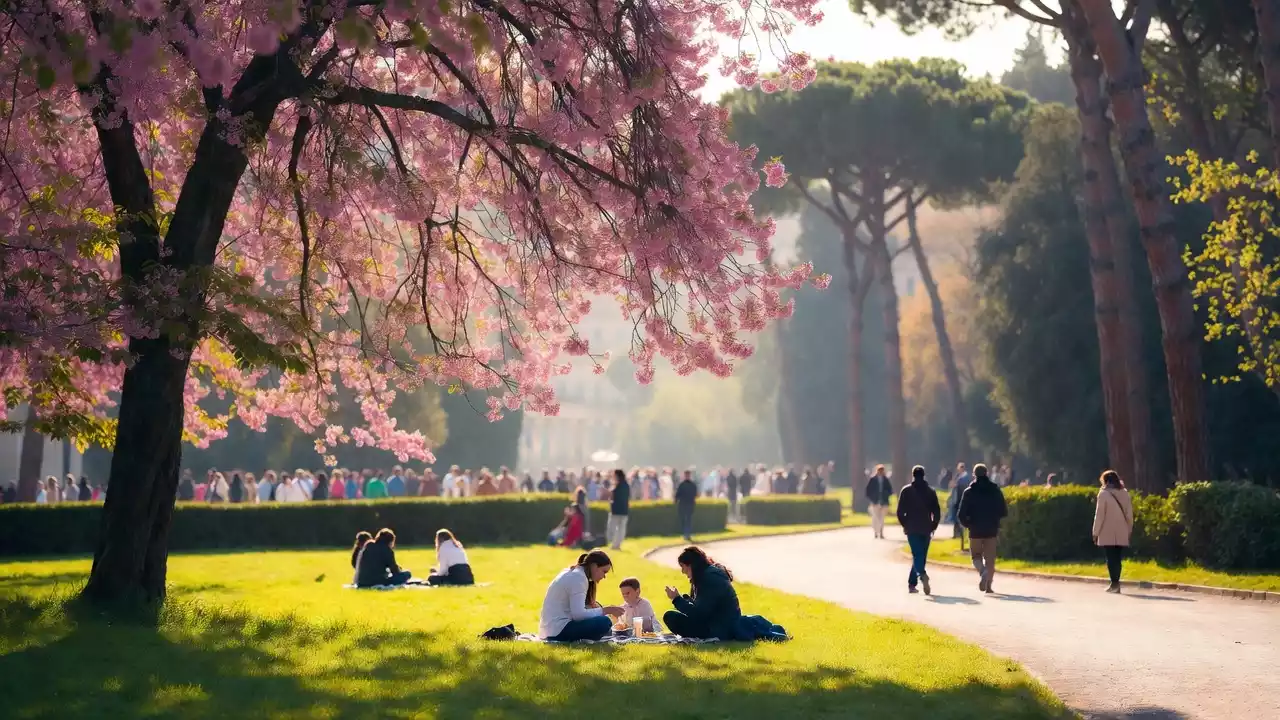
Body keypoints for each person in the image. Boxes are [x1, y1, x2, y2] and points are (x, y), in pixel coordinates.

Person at [538, 550, 624, 641]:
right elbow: (578, 615)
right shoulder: (578, 578)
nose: (604, 576)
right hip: (558, 631)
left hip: (552, 629)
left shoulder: (575, 573)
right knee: (604, 622)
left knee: (600, 615)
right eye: (604, 571)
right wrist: (606, 610)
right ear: (594, 566)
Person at [662, 546, 742, 640]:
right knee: (672, 616)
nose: (682, 571)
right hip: (719, 624)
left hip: (719, 629)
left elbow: (699, 614)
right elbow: (703, 609)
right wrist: (686, 600)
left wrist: (677, 599)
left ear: (691, 565)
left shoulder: (709, 578)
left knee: (670, 617)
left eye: (683, 566)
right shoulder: (706, 575)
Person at [958, 463, 1007, 593]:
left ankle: (982, 571)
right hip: (991, 529)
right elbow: (1003, 510)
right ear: (987, 474)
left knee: (976, 557)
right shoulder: (995, 490)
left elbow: (961, 514)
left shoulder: (969, 492)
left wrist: (968, 525)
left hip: (975, 530)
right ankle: (989, 586)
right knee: (990, 559)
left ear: (974, 475)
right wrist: (996, 520)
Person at [897, 465, 940, 596]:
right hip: (926, 527)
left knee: (917, 555)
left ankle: (921, 575)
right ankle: (913, 582)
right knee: (921, 556)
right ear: (924, 475)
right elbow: (936, 511)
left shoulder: (906, 491)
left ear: (913, 475)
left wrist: (905, 524)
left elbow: (900, 512)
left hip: (912, 527)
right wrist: (933, 525)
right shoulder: (930, 491)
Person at [1093, 469, 1134, 594]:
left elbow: (1099, 515)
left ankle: (1114, 583)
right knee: (1117, 558)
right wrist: (1129, 530)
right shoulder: (1125, 493)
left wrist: (1095, 532)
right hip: (1122, 530)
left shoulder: (1103, 494)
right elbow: (1129, 514)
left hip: (1107, 530)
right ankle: (1116, 582)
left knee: (1110, 558)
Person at [865, 464, 893, 539]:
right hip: (875, 502)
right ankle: (875, 531)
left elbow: (890, 490)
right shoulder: (873, 479)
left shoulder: (886, 480)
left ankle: (881, 532)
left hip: (884, 502)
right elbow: (868, 491)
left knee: (882, 518)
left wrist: (886, 494)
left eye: (882, 470)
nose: (881, 472)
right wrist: (872, 498)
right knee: (875, 517)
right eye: (879, 470)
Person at [948, 462, 971, 550]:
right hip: (956, 500)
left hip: (960, 500)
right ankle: (956, 534)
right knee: (955, 518)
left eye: (961, 467)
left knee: (959, 517)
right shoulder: (958, 476)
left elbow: (962, 487)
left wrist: (956, 485)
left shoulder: (965, 477)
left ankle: (960, 535)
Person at [607, 468, 630, 550]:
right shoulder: (626, 485)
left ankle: (615, 545)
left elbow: (613, 497)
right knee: (621, 529)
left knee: (613, 529)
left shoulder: (617, 486)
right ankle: (617, 545)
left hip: (616, 511)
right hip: (624, 511)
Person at [675, 469, 698, 541]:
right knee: (686, 520)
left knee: (687, 520)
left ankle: (687, 534)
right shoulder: (688, 485)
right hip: (686, 504)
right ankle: (686, 533)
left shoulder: (685, 485)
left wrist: (676, 500)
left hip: (686, 504)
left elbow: (678, 494)